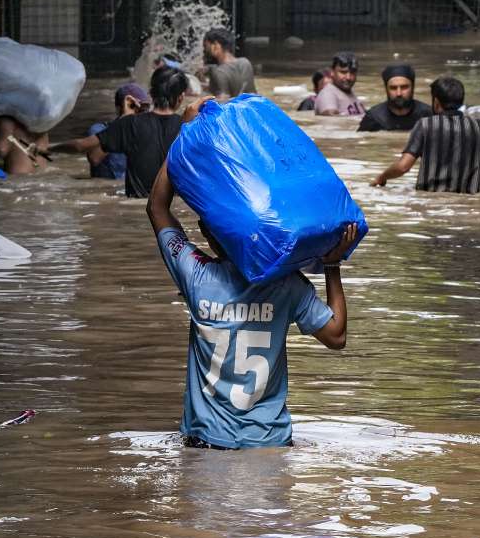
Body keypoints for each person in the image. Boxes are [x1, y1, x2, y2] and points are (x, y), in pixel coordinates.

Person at [147, 143, 356, 450]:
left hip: (207, 445)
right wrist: (331, 265)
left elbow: (157, 208)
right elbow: (336, 336)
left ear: (208, 233)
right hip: (270, 444)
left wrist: (184, 140)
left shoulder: (196, 276)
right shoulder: (288, 285)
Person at [48, 66, 188, 197]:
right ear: (181, 97)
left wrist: (48, 149)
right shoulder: (189, 128)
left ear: (151, 94)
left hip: (136, 208)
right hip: (173, 208)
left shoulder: (130, 124)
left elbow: (80, 146)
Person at [371, 75, 480, 193]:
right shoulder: (479, 127)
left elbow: (403, 167)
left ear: (436, 102)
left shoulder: (425, 125)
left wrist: (381, 177)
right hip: (469, 204)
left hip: (431, 203)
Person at [86, 83, 151, 180]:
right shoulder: (99, 130)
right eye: (135, 108)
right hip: (106, 189)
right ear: (119, 108)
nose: (142, 115)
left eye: (145, 109)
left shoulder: (147, 132)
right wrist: (124, 122)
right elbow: (94, 158)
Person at [357, 64, 433, 132]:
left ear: (413, 87)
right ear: (386, 89)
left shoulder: (428, 116)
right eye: (393, 88)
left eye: (404, 87)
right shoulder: (374, 117)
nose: (399, 93)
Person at [202, 28, 257, 98]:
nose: (205, 50)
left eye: (206, 46)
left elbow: (223, 99)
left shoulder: (219, 72)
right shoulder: (245, 62)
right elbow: (251, 93)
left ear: (216, 46)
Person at [314, 52, 364, 116]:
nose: (348, 77)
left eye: (352, 72)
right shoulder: (328, 95)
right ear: (332, 72)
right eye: (343, 72)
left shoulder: (346, 93)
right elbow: (331, 123)